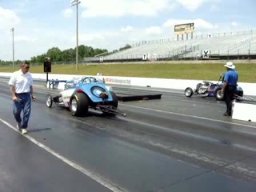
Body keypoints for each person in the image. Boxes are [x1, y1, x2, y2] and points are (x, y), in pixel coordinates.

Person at [8, 61, 35, 134]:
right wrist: (13, 96)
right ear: (22, 67)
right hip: (17, 96)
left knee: (27, 112)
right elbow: (12, 85)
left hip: (27, 95)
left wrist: (32, 95)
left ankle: (24, 127)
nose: (28, 69)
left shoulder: (29, 75)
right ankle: (19, 122)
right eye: (27, 67)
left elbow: (31, 86)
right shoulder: (15, 74)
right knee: (16, 112)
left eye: (29, 67)